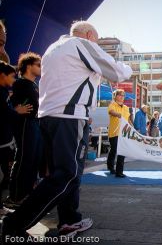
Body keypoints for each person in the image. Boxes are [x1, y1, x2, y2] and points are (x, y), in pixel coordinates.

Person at [2, 21, 132, 240]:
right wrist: (127, 67)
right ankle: (14, 223)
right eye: (97, 41)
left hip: (48, 117)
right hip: (68, 117)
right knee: (67, 174)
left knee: (62, 172)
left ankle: (69, 220)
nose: (97, 45)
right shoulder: (81, 43)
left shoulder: (52, 49)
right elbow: (117, 72)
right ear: (90, 35)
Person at [7, 52, 42, 208]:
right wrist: (15, 109)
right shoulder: (19, 83)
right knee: (23, 158)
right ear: (28, 66)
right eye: (38, 65)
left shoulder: (34, 85)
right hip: (25, 124)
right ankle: (14, 196)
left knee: (33, 160)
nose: (41, 68)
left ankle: (27, 194)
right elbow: (9, 101)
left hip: (35, 123)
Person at [0, 62, 32, 216]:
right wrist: (17, 111)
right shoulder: (2, 93)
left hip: (5, 141)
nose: (14, 80)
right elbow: (4, 114)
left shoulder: (5, 92)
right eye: (12, 77)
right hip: (2, 142)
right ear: (2, 76)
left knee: (4, 175)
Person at [107, 89, 131, 178]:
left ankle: (119, 172)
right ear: (115, 96)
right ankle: (110, 166)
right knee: (114, 150)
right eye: (120, 95)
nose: (122, 97)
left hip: (123, 133)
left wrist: (132, 128)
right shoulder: (112, 104)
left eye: (123, 95)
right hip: (114, 132)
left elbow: (128, 120)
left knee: (122, 151)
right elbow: (111, 112)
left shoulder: (126, 107)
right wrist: (118, 114)